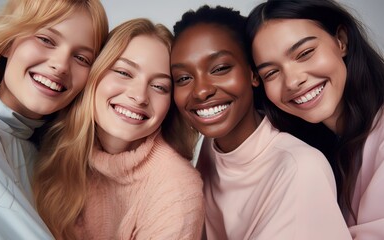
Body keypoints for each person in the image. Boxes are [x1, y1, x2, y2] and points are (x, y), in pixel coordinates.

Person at [171, 5, 351, 239]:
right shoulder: (212, 147)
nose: (201, 91)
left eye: (220, 68)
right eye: (183, 78)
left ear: (253, 74)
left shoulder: (300, 166)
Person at [33, 18, 205, 239]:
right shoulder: (49, 141)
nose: (140, 96)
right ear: (94, 74)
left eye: (159, 86)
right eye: (124, 73)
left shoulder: (177, 189)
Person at [0, 0, 108, 239]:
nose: (60, 65)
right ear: (7, 42)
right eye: (46, 40)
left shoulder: (51, 150)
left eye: (81, 58)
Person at [245, 0, 384, 239]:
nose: (292, 81)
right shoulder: (303, 150)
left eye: (305, 53)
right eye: (271, 72)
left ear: (341, 40)